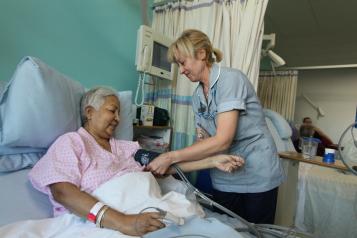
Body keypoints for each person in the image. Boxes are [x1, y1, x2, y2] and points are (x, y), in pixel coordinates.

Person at [29, 86, 244, 236]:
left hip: (146, 208)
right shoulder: (72, 142)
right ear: (89, 112)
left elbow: (163, 166)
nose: (118, 118)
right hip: (106, 221)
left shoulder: (126, 147)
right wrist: (123, 222)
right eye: (112, 111)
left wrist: (211, 161)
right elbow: (63, 192)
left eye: (120, 113)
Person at [147, 29, 285, 224]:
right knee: (228, 231)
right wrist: (172, 168)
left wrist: (170, 156)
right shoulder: (197, 97)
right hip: (224, 175)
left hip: (257, 174)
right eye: (178, 64)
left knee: (258, 234)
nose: (182, 70)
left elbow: (222, 140)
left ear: (201, 54)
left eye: (183, 62)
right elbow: (203, 143)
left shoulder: (230, 80)